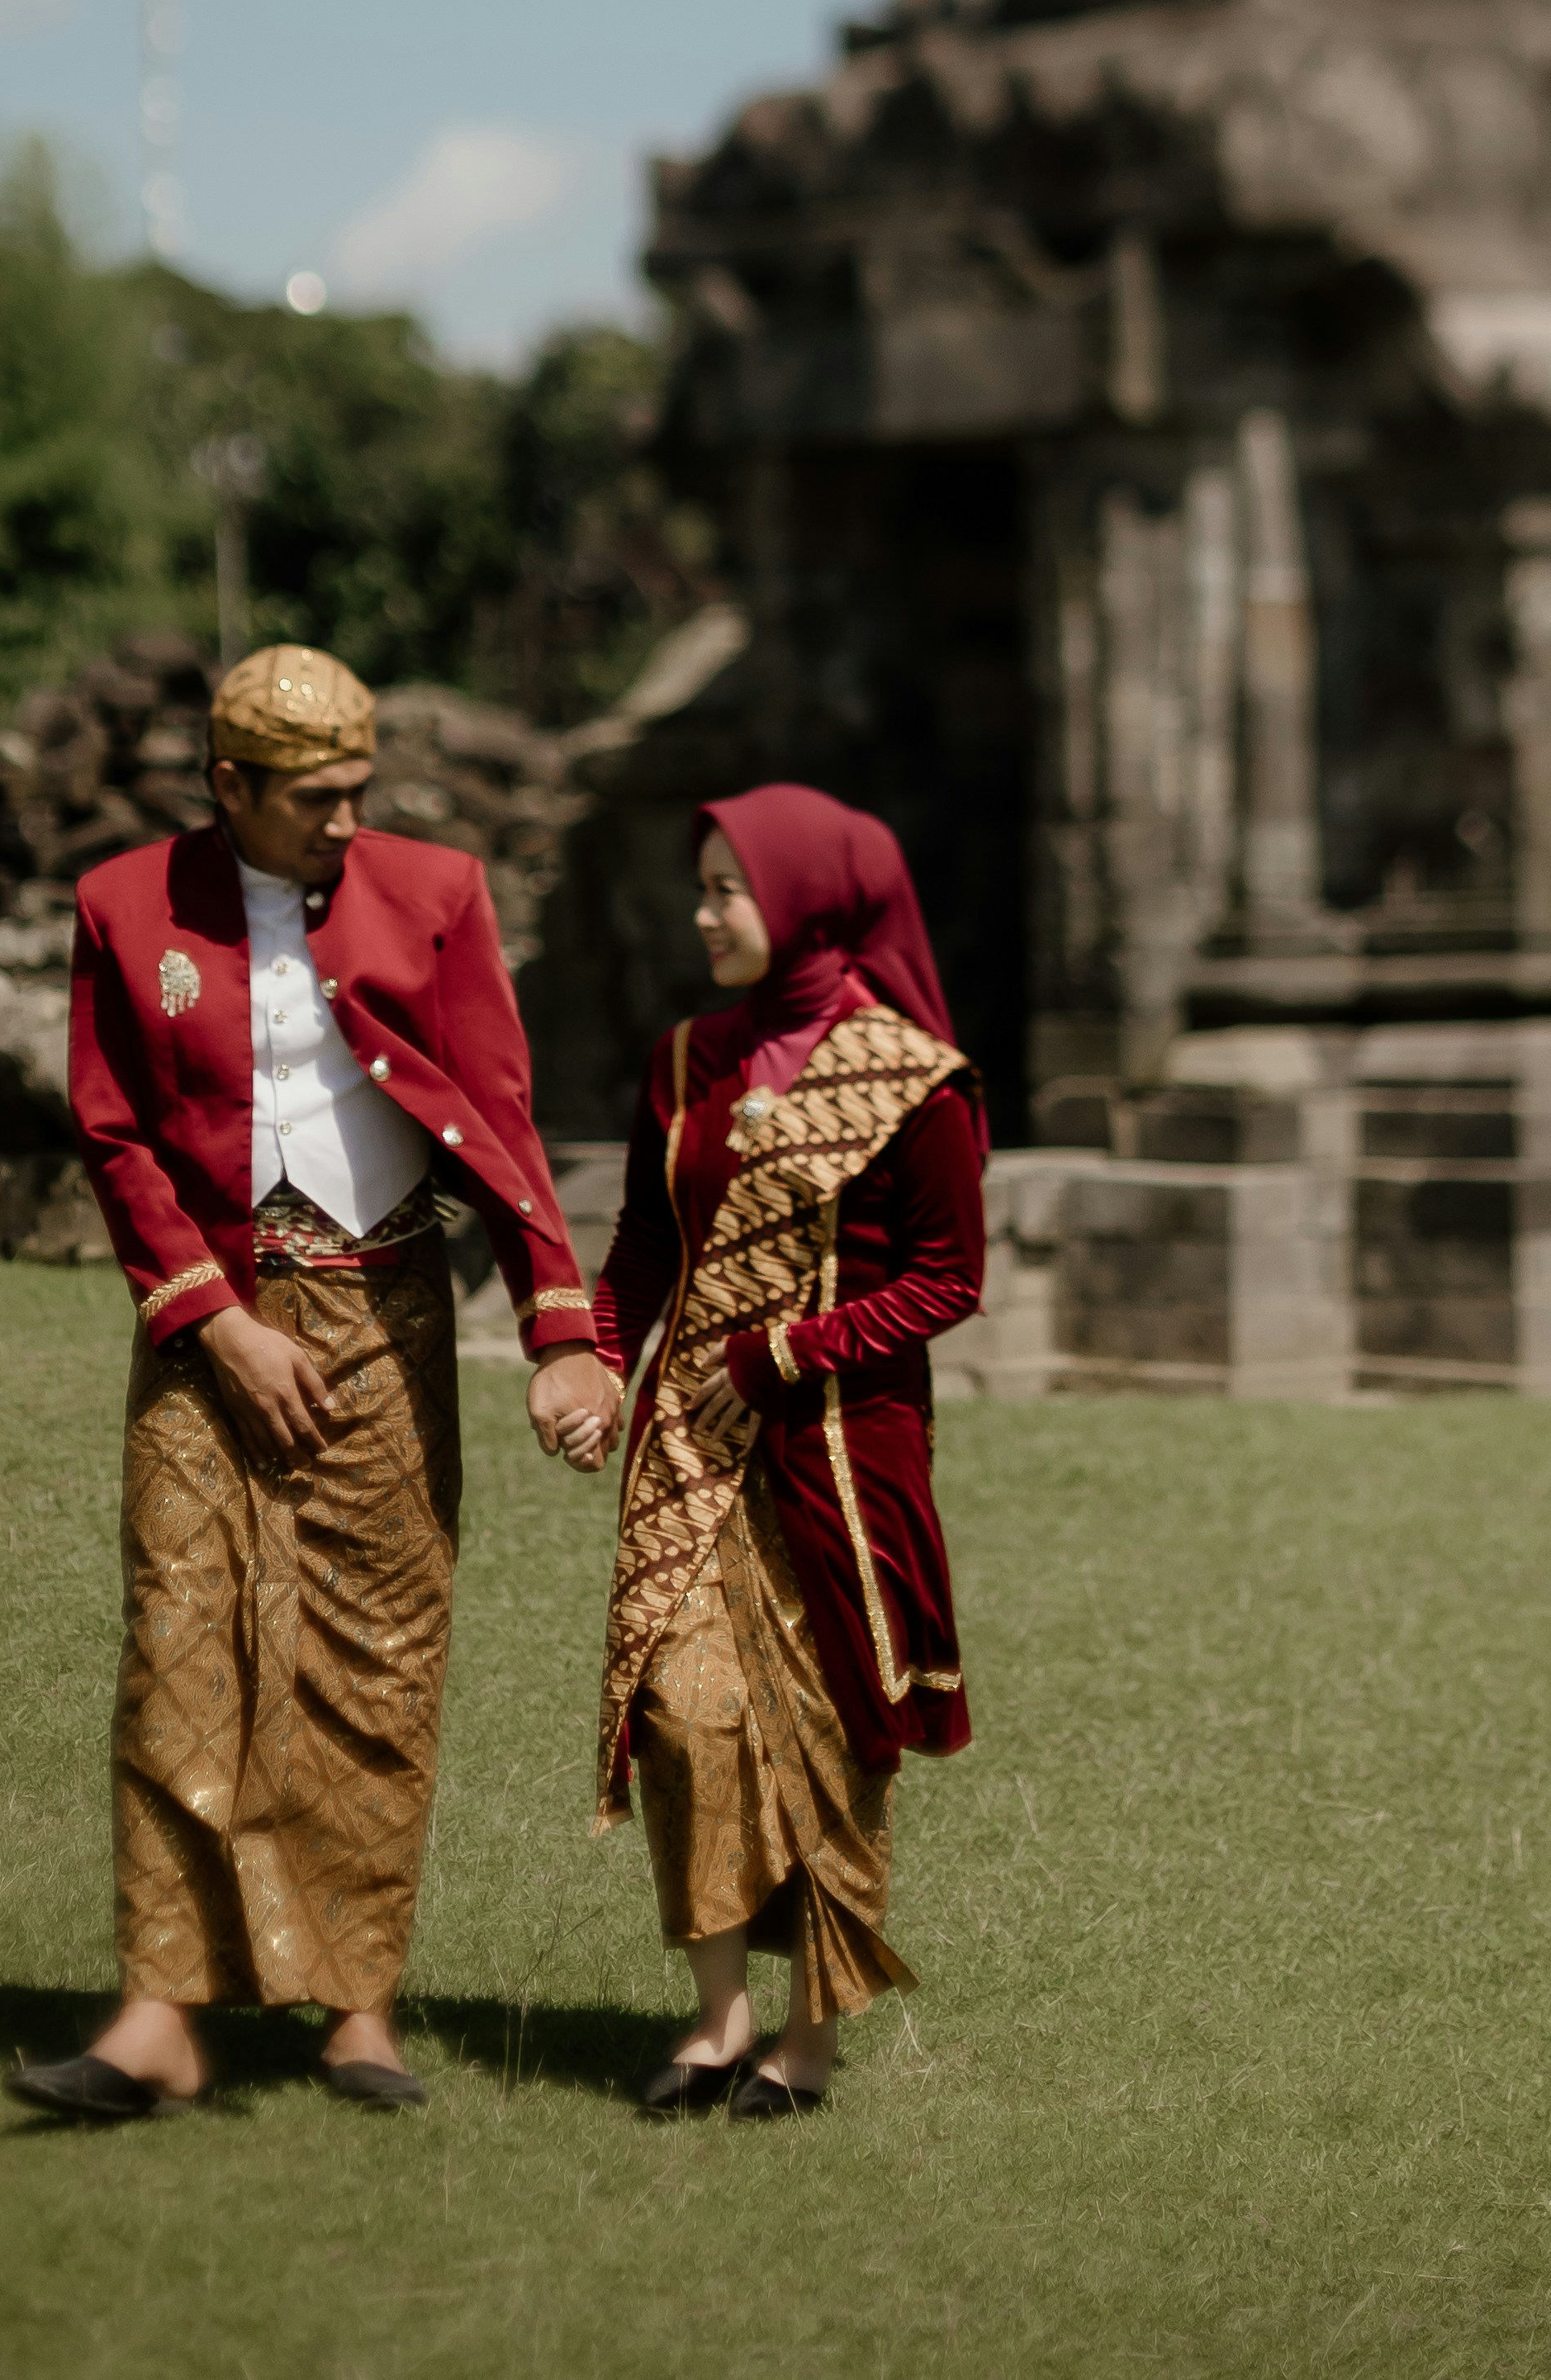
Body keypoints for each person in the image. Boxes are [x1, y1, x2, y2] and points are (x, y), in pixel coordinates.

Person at [7, 642, 624, 2123]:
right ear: (229, 786)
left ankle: (359, 2008)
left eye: (360, 790)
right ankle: (159, 2013)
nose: (348, 821)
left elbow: (498, 1106)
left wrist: (560, 1330)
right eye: (313, 798)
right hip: (209, 1328)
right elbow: (113, 1133)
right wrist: (218, 1324)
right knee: (180, 1641)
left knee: (374, 1654)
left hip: (388, 1313)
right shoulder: (123, 904)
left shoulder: (437, 890)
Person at [586, 783, 985, 2121]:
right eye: (700, 890)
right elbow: (647, 1242)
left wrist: (782, 1355)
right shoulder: (685, 1062)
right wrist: (595, 1359)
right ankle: (717, 2022)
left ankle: (807, 2041)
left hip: (840, 1456)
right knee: (681, 1716)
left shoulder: (910, 1079)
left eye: (727, 891)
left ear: (809, 899)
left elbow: (947, 1279)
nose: (703, 916)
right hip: (689, 1455)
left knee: (828, 1739)